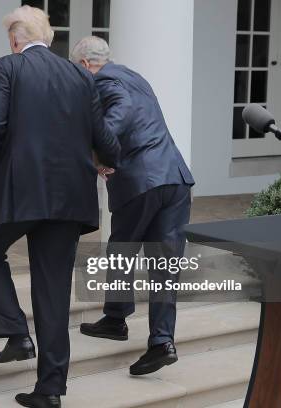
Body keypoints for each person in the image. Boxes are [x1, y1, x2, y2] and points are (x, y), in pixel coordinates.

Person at [0, 8, 120, 408]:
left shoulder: (5, 68)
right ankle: (50, 389)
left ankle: (17, 332)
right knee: (53, 292)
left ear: (16, 38)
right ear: (48, 39)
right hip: (71, 196)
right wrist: (108, 159)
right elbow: (104, 138)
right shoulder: (82, 76)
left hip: (20, 190)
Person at [70, 36, 195, 376]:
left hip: (142, 181)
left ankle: (116, 320)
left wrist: (100, 156)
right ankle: (161, 342)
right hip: (175, 177)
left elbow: (119, 114)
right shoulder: (135, 76)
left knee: (122, 248)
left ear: (84, 66)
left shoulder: (105, 81)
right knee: (164, 265)